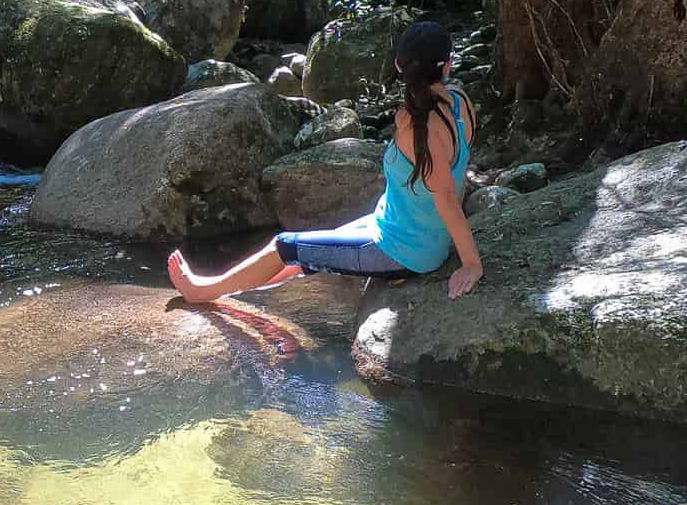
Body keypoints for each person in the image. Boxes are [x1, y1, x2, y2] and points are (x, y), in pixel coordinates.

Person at [167, 18, 484, 303]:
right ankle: (246, 292)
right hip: (403, 229)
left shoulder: (416, 127)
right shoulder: (460, 102)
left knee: (284, 246)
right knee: (310, 252)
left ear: (400, 67)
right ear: (447, 66)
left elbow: (445, 197)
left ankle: (204, 292)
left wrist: (471, 264)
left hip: (402, 250)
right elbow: (454, 183)